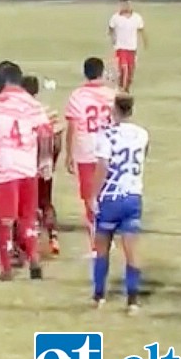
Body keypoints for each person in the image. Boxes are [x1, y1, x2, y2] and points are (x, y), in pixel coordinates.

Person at [0, 62, 53, 281]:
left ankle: (6, 269)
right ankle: (34, 260)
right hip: (28, 167)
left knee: (4, 220)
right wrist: (44, 160)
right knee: (28, 217)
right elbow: (46, 133)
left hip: (6, 168)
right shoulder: (32, 104)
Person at [90, 93, 149, 315]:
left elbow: (102, 168)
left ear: (115, 110)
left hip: (110, 198)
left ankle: (99, 296)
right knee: (132, 251)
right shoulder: (142, 134)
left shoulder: (106, 136)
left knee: (102, 247)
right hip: (133, 196)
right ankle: (132, 301)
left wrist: (92, 195)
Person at [65, 57, 117, 257]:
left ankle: (97, 243)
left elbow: (72, 126)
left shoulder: (77, 96)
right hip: (108, 150)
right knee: (106, 194)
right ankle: (108, 237)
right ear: (101, 72)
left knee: (89, 198)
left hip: (86, 150)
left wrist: (69, 153)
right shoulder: (112, 95)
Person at [22, 75, 64, 256]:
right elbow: (57, 138)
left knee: (27, 205)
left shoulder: (21, 111)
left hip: (28, 165)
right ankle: (54, 237)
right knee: (46, 202)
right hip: (45, 165)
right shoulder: (45, 111)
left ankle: (29, 238)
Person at [108, 0, 147, 92]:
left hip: (132, 48)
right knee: (123, 67)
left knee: (130, 70)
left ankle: (126, 87)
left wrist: (144, 41)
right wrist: (113, 38)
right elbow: (111, 29)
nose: (126, 7)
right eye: (124, 5)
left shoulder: (137, 17)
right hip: (121, 47)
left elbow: (141, 30)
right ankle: (122, 86)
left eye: (128, 4)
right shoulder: (115, 17)